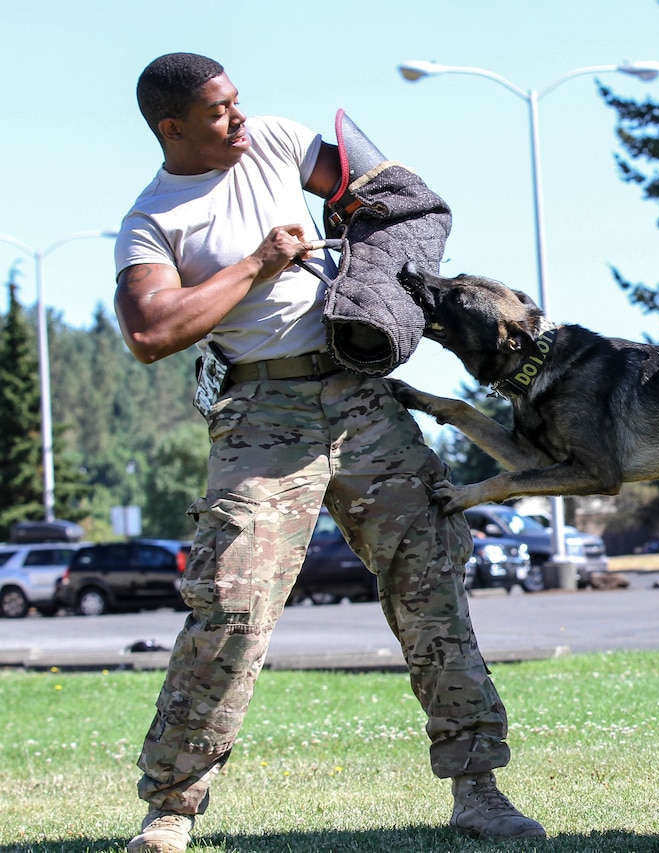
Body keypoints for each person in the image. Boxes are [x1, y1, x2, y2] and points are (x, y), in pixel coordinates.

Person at [113, 53, 543, 853]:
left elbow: (389, 196)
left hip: (357, 394)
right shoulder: (154, 219)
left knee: (431, 576)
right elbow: (150, 331)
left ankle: (479, 789)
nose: (239, 118)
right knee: (232, 606)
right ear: (172, 127)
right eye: (218, 112)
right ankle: (171, 808)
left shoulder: (278, 139)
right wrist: (259, 264)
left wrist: (378, 280)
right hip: (260, 411)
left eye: (238, 100)